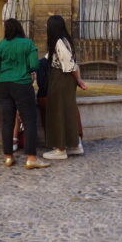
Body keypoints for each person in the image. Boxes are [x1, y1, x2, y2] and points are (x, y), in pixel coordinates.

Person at [0, 18, 50, 170]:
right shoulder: (28, 44)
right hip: (22, 84)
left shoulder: (1, 44)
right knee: (29, 120)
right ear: (20, 29)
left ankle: (8, 157)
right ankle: (31, 158)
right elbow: (34, 65)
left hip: (2, 85)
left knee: (7, 121)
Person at [43, 15, 88, 160]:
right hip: (66, 79)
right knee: (68, 111)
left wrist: (79, 80)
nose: (46, 28)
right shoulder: (65, 40)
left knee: (58, 112)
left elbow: (70, 65)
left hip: (61, 78)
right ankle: (74, 145)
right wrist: (78, 80)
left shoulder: (58, 42)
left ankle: (60, 148)